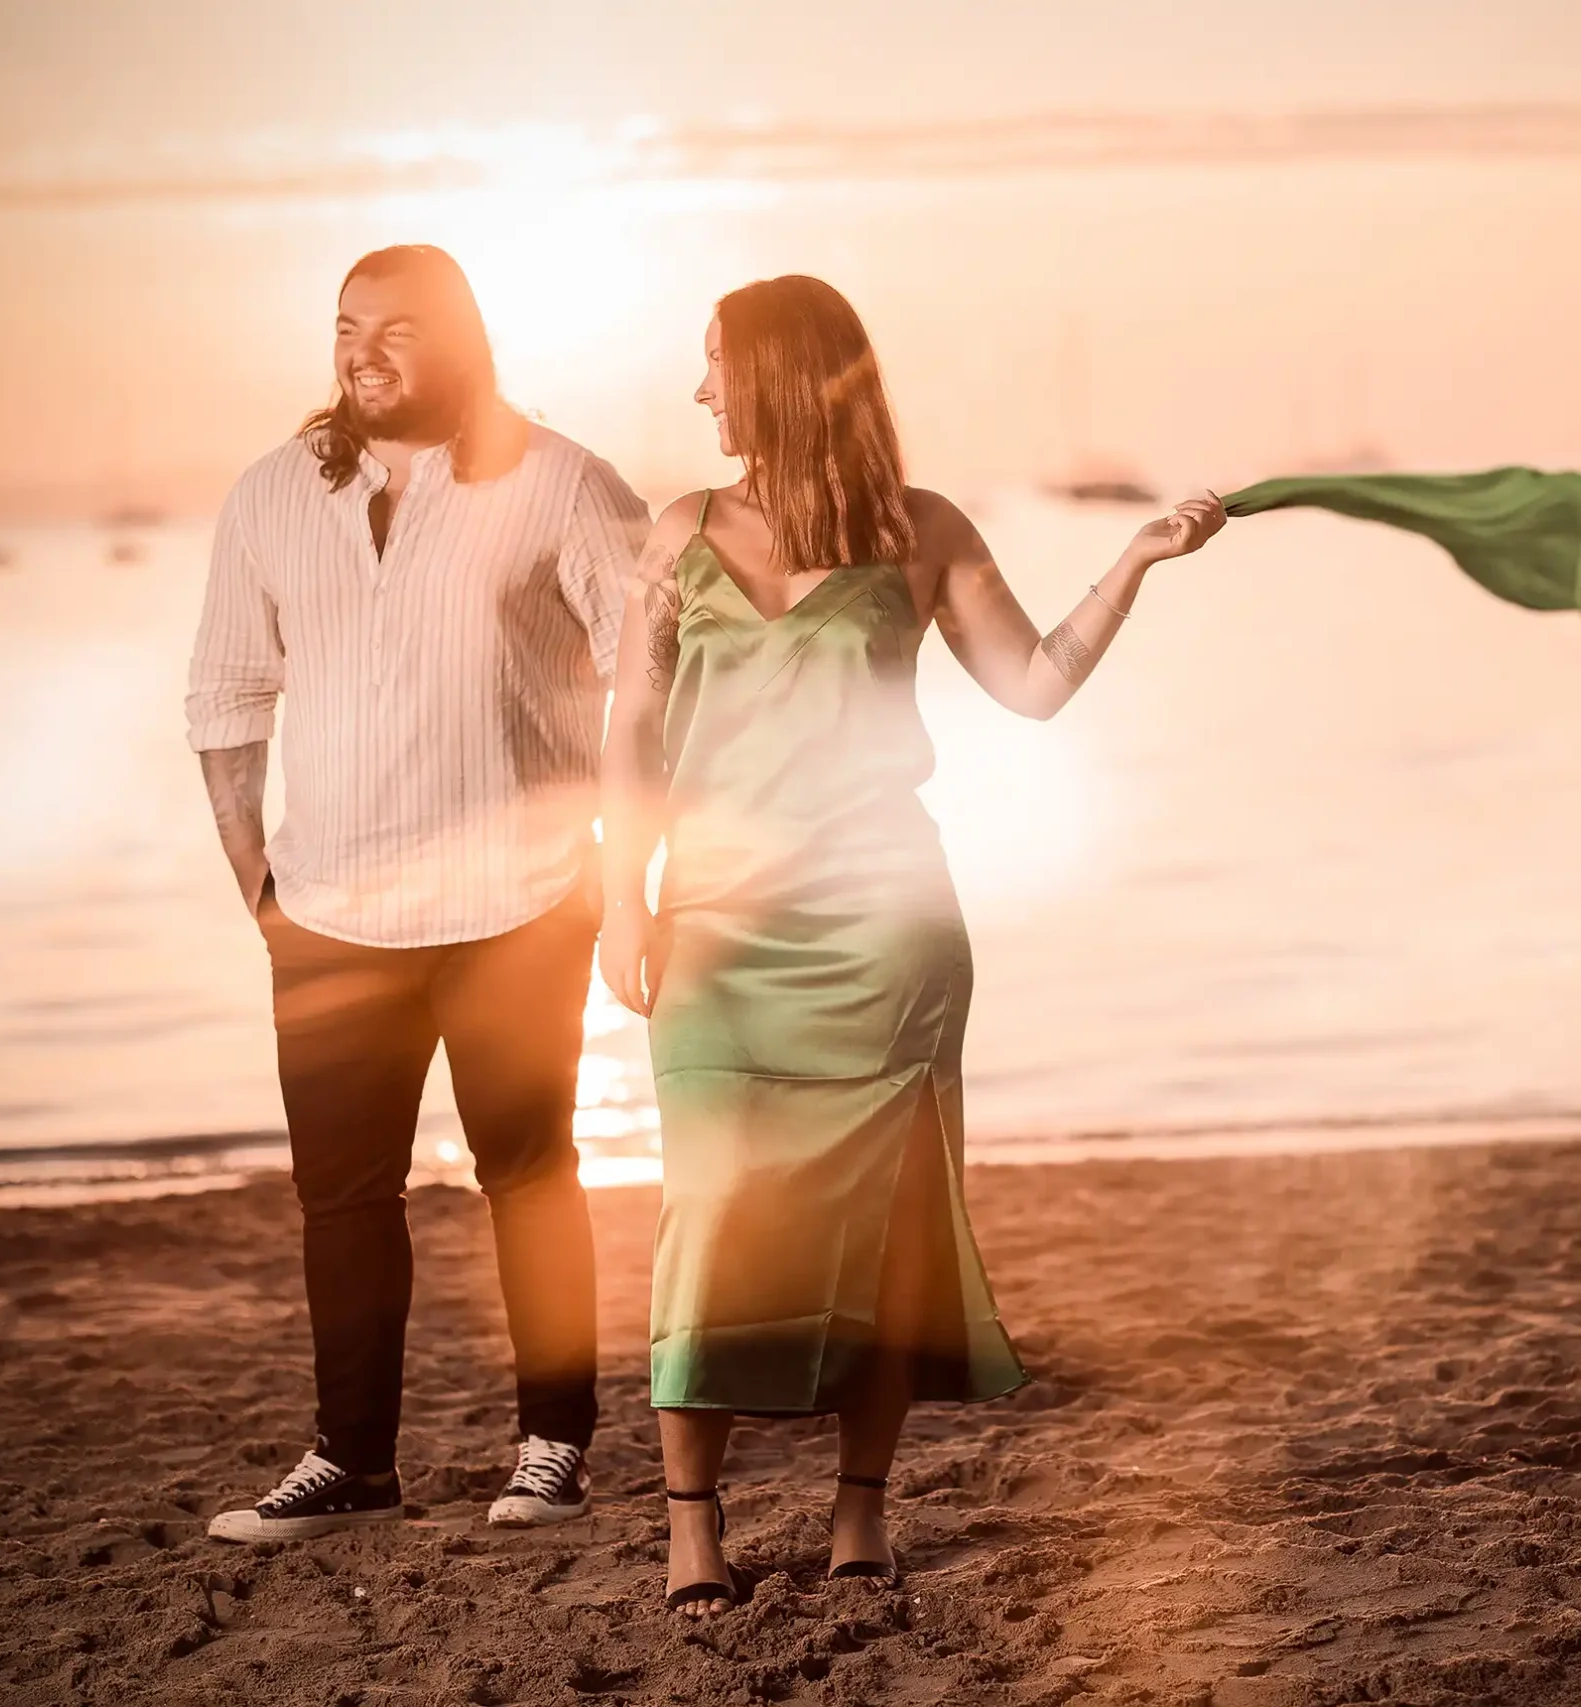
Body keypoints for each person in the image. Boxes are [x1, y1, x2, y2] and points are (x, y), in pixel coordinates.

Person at [599, 274, 1225, 1615]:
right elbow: (632, 738)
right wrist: (621, 900)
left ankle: (860, 1514)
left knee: (884, 1239)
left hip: (886, 945)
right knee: (708, 1219)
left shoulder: (921, 529)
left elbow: (1035, 685)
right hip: (717, 942)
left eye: (717, 366)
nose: (701, 392)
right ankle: (692, 1527)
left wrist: (1132, 563)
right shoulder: (680, 533)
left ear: (779, 376)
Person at [186, 245, 650, 1541]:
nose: (363, 351)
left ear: (460, 338)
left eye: (396, 328)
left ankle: (553, 1445)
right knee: (341, 1199)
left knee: (531, 1176)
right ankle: (353, 1461)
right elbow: (226, 691)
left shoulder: (561, 482)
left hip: (522, 900)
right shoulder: (273, 494)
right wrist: (257, 883)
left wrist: (624, 874)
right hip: (328, 914)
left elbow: (650, 680)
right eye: (348, 326)